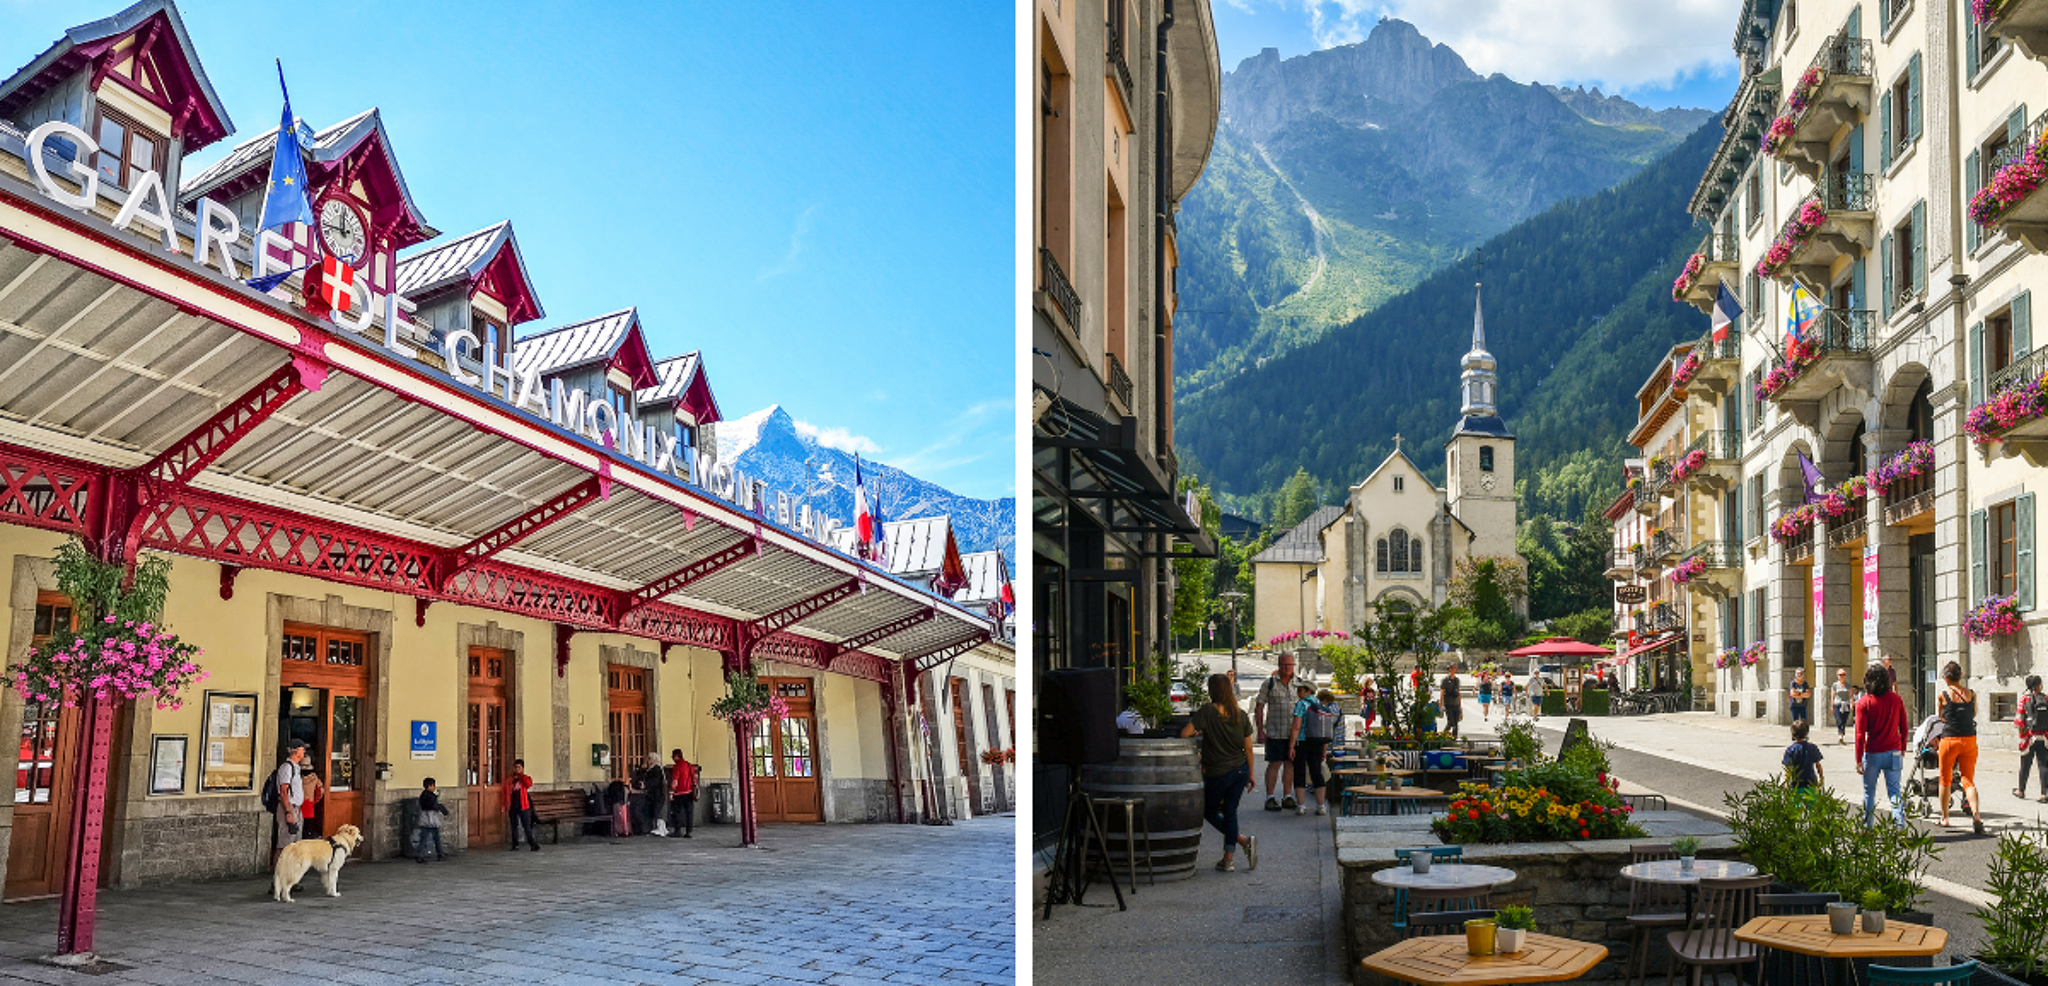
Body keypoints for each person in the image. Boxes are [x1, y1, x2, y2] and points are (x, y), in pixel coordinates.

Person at [1181, 673, 1257, 872]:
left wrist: (1198, 754)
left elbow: (1184, 734)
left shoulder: (1207, 712)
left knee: (1210, 811)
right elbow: (1248, 747)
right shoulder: (1240, 714)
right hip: (1240, 770)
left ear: (1212, 690)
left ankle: (1241, 841)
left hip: (1216, 772)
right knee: (1230, 811)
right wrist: (1251, 774)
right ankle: (1229, 857)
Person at [1853, 663, 1910, 826]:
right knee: (1894, 791)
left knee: (1869, 791)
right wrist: (1903, 748)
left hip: (1873, 752)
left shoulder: (1864, 703)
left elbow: (1859, 734)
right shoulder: (1896, 699)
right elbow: (1904, 727)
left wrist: (1858, 758)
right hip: (1894, 751)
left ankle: (1867, 826)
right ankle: (1900, 825)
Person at [1935, 661, 1985, 833]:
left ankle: (1944, 818)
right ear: (1961, 676)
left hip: (1949, 739)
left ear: (1946, 678)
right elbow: (1974, 713)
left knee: (1945, 778)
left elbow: (1941, 717)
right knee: (1968, 780)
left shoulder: (1943, 695)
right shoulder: (1972, 694)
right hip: (1969, 739)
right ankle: (1976, 815)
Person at [1253, 654, 1298, 811]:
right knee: (1274, 764)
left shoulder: (1298, 684)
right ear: (1279, 665)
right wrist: (1260, 731)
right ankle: (1270, 797)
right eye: (1283, 665)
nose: (1286, 668)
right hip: (1275, 732)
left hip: (1293, 734)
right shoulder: (1270, 683)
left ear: (1294, 665)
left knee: (1290, 764)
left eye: (1289, 665)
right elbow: (1259, 707)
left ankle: (1287, 796)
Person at [1289, 684, 1335, 816]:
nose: (1298, 692)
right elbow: (1325, 729)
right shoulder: (1321, 705)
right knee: (1316, 772)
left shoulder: (1301, 704)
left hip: (1302, 742)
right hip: (1317, 743)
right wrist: (1324, 749)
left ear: (1308, 690)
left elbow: (1296, 726)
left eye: (1300, 689)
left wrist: (1291, 746)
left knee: (1299, 772)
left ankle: (1301, 806)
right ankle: (1321, 806)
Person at [270, 740, 308, 866]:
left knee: (295, 844)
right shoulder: (287, 767)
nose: (304, 752)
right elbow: (284, 791)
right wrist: (288, 812)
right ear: (295, 751)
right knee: (285, 844)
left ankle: (291, 876)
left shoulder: (296, 767)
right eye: (302, 749)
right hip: (289, 806)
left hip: (296, 807)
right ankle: (278, 876)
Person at [2017, 675, 2048, 804]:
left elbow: (2019, 721)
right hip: (2044, 737)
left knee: (2025, 765)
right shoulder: (2046, 698)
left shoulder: (2024, 699)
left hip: (2029, 738)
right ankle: (2043, 793)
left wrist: (2022, 737)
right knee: (2043, 765)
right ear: (2039, 685)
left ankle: (2021, 790)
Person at [504, 758, 540, 851]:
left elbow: (529, 784)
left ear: (522, 768)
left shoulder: (525, 778)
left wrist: (521, 776)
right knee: (514, 826)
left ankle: (532, 844)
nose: (517, 769)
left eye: (519, 767)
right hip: (513, 805)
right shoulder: (510, 779)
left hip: (523, 805)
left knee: (526, 826)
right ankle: (515, 844)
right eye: (515, 767)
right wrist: (504, 805)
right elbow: (506, 792)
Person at [1782, 720, 1824, 792]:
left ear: (1793, 734)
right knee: (1811, 802)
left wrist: (1786, 783)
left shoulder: (1790, 750)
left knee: (1796, 802)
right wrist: (1821, 777)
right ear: (1807, 733)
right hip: (1811, 782)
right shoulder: (1812, 748)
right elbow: (1818, 764)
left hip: (1796, 783)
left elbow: (1788, 769)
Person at [414, 777, 445, 862]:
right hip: (432, 819)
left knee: (423, 838)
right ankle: (440, 854)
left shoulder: (422, 795)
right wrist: (441, 808)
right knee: (436, 838)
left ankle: (420, 855)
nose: (434, 787)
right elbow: (434, 806)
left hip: (424, 819)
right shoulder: (432, 796)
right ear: (429, 786)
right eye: (433, 785)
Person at [667, 749, 697, 837]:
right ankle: (688, 831)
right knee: (689, 812)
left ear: (676, 756)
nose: (672, 758)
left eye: (673, 756)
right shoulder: (689, 765)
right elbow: (693, 779)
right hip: (689, 792)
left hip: (679, 793)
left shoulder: (677, 766)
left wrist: (671, 792)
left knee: (677, 812)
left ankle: (678, 830)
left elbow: (675, 780)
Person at [639, 753, 670, 836]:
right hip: (651, 794)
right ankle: (657, 827)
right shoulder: (648, 769)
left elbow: (655, 781)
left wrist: (646, 785)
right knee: (653, 810)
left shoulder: (657, 769)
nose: (648, 760)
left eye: (650, 758)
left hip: (657, 793)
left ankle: (660, 828)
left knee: (657, 810)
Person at [1831, 668, 1855, 745]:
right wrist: (1832, 706)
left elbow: (1851, 695)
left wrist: (1852, 703)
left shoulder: (1848, 685)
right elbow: (1832, 696)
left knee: (1844, 720)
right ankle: (1840, 735)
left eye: (1843, 675)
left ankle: (1842, 733)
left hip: (1846, 704)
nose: (1842, 676)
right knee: (1839, 720)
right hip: (1837, 704)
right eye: (1840, 675)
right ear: (1837, 675)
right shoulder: (1835, 685)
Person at [1440, 667, 1463, 738]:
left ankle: (1454, 737)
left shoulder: (1457, 680)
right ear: (1449, 669)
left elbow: (1459, 692)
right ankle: (1443, 735)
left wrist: (1460, 705)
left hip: (1455, 703)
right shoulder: (1445, 680)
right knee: (1451, 722)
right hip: (1448, 703)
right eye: (1453, 668)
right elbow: (1442, 692)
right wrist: (1441, 704)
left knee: (1456, 723)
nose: (1455, 670)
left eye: (1456, 668)